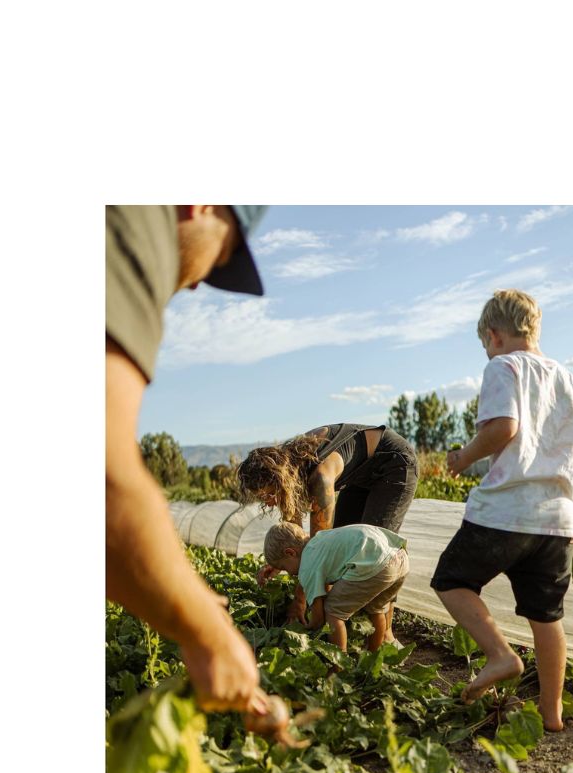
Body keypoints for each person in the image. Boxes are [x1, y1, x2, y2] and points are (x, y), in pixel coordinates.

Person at [107, 205, 289, 735]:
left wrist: (175, 593)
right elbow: (103, 483)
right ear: (202, 204)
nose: (196, 285)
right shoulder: (134, 220)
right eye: (223, 256)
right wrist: (206, 632)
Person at [430, 290, 573, 732]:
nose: (487, 350)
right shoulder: (572, 381)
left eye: (485, 343)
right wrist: (556, 469)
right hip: (558, 519)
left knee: (452, 580)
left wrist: (463, 457)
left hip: (505, 511)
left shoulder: (503, 366)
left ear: (494, 334)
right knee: (547, 617)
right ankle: (552, 715)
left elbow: (503, 427)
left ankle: (500, 654)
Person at [237, 424, 418, 637]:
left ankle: (385, 636)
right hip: (360, 477)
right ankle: (342, 626)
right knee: (341, 553)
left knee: (375, 554)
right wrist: (279, 563)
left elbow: (315, 552)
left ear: (280, 481)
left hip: (394, 463)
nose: (268, 504)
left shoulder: (320, 479)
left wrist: (300, 601)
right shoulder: (293, 470)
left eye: (269, 495)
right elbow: (295, 539)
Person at [263, 521, 409, 652]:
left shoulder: (306, 565)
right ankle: (373, 658)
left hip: (376, 565)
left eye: (284, 567)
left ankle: (338, 666)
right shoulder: (320, 540)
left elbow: (319, 618)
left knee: (333, 611)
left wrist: (306, 629)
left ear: (290, 553)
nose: (289, 574)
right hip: (398, 556)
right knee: (376, 609)